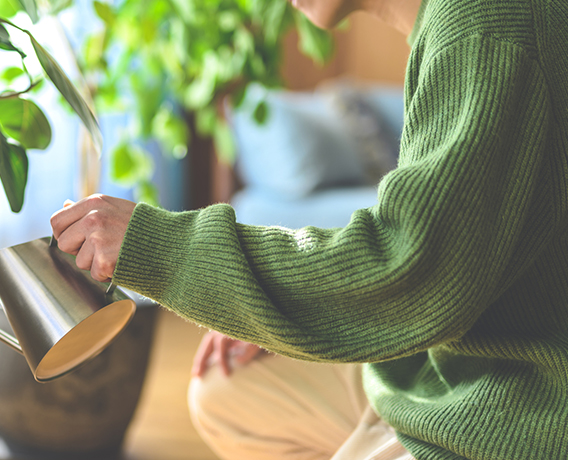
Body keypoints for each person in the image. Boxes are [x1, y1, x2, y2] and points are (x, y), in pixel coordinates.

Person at [50, 0, 568, 458]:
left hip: (520, 411)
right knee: (226, 389)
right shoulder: (447, 29)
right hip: (443, 371)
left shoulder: (482, 26)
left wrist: (157, 246)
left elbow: (408, 270)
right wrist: (282, 318)